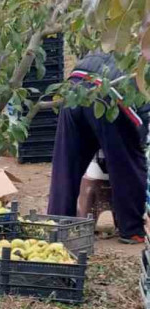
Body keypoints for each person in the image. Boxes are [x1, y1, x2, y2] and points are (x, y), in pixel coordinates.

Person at [47, 51, 150, 244]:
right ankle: (132, 229)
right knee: (127, 163)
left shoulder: (128, 48)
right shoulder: (143, 72)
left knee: (66, 162)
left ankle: (56, 223)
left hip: (75, 85)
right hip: (109, 92)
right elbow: (142, 125)